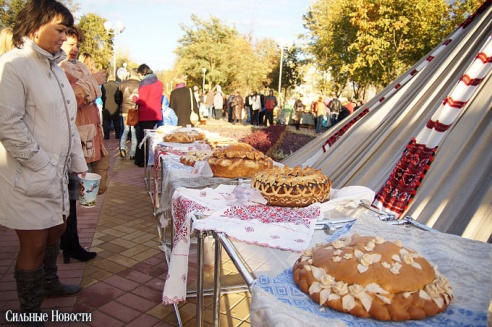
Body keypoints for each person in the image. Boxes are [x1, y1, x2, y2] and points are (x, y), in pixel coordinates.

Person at [0, 0, 88, 318]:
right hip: (28, 175)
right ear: (37, 27)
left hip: (57, 174)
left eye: (67, 31)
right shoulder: (13, 65)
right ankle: (29, 310)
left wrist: (78, 167)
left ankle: (49, 283)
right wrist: (42, 163)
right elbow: (8, 125)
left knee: (56, 230)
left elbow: (67, 122)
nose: (64, 37)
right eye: (60, 30)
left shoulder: (54, 68)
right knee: (34, 244)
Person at [59, 26, 107, 264]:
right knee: (68, 196)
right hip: (69, 140)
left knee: (71, 195)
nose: (74, 48)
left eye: (76, 44)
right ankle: (69, 245)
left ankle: (69, 243)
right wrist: (93, 82)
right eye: (69, 43)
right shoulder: (59, 68)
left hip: (81, 138)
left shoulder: (77, 67)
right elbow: (70, 99)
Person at [133, 63, 163, 167]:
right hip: (156, 114)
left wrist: (134, 98)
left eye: (139, 74)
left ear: (143, 73)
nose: (139, 77)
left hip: (146, 114)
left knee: (143, 139)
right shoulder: (159, 83)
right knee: (151, 139)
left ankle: (141, 161)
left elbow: (141, 100)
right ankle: (150, 159)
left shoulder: (145, 83)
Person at [115, 68, 140, 159]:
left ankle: (122, 147)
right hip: (135, 110)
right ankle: (132, 153)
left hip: (125, 110)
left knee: (125, 130)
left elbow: (117, 96)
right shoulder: (140, 84)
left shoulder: (122, 84)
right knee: (134, 132)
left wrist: (121, 104)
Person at [102, 75, 121, 139]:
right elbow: (119, 96)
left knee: (106, 121)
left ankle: (106, 135)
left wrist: (104, 103)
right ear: (114, 79)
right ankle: (117, 135)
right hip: (115, 106)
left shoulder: (104, 86)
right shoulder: (117, 86)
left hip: (106, 106)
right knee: (116, 121)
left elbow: (103, 96)